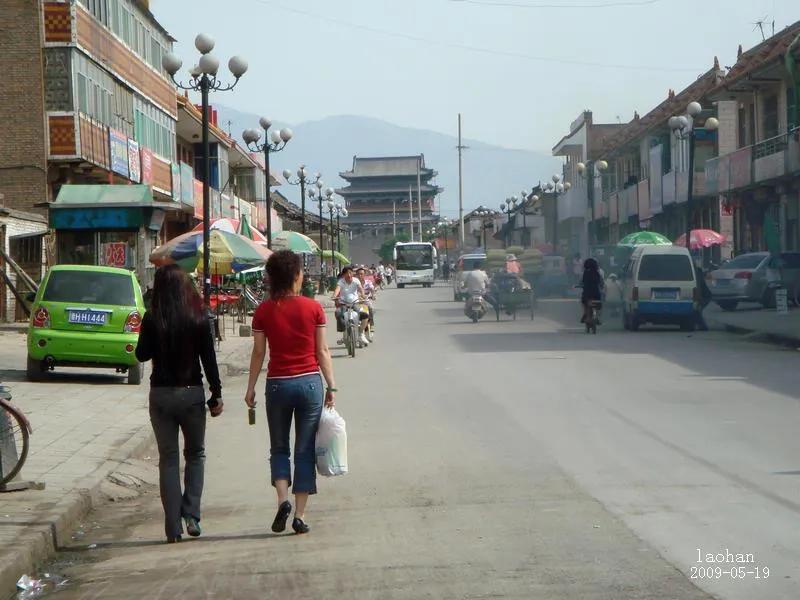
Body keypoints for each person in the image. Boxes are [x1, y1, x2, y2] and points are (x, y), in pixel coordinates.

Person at [245, 250, 336, 536]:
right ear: (296, 275)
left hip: (278, 385)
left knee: (279, 447)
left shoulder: (263, 311)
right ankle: (299, 515)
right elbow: (322, 351)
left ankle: (282, 500)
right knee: (304, 449)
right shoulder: (313, 308)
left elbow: (258, 352)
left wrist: (250, 388)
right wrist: (331, 385)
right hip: (309, 383)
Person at [135, 264, 223, 544]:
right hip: (191, 394)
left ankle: (172, 527)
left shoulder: (152, 318)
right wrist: (216, 393)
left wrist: (149, 332)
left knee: (169, 459)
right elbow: (209, 358)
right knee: (195, 455)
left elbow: (141, 355)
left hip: (161, 395)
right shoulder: (198, 316)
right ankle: (192, 515)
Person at [334, 266, 370, 346]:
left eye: (350, 273)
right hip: (343, 304)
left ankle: (361, 334)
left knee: (365, 315)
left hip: (355, 303)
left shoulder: (356, 280)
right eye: (347, 273)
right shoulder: (341, 282)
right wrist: (334, 296)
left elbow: (360, 289)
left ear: (352, 273)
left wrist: (363, 295)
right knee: (338, 313)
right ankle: (344, 332)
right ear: (343, 275)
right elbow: (337, 289)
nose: (349, 275)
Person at [580, 258, 604, 324]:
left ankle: (585, 313)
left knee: (584, 302)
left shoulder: (585, 273)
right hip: (596, 293)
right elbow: (601, 282)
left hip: (587, 293)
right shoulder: (597, 273)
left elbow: (582, 282)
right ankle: (597, 317)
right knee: (599, 304)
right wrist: (601, 286)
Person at [694, 263, 712, 331]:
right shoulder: (698, 271)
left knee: (697, 310)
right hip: (705, 295)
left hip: (705, 296)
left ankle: (703, 327)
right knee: (697, 311)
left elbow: (698, 287)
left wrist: (699, 300)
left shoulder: (697, 272)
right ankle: (701, 326)